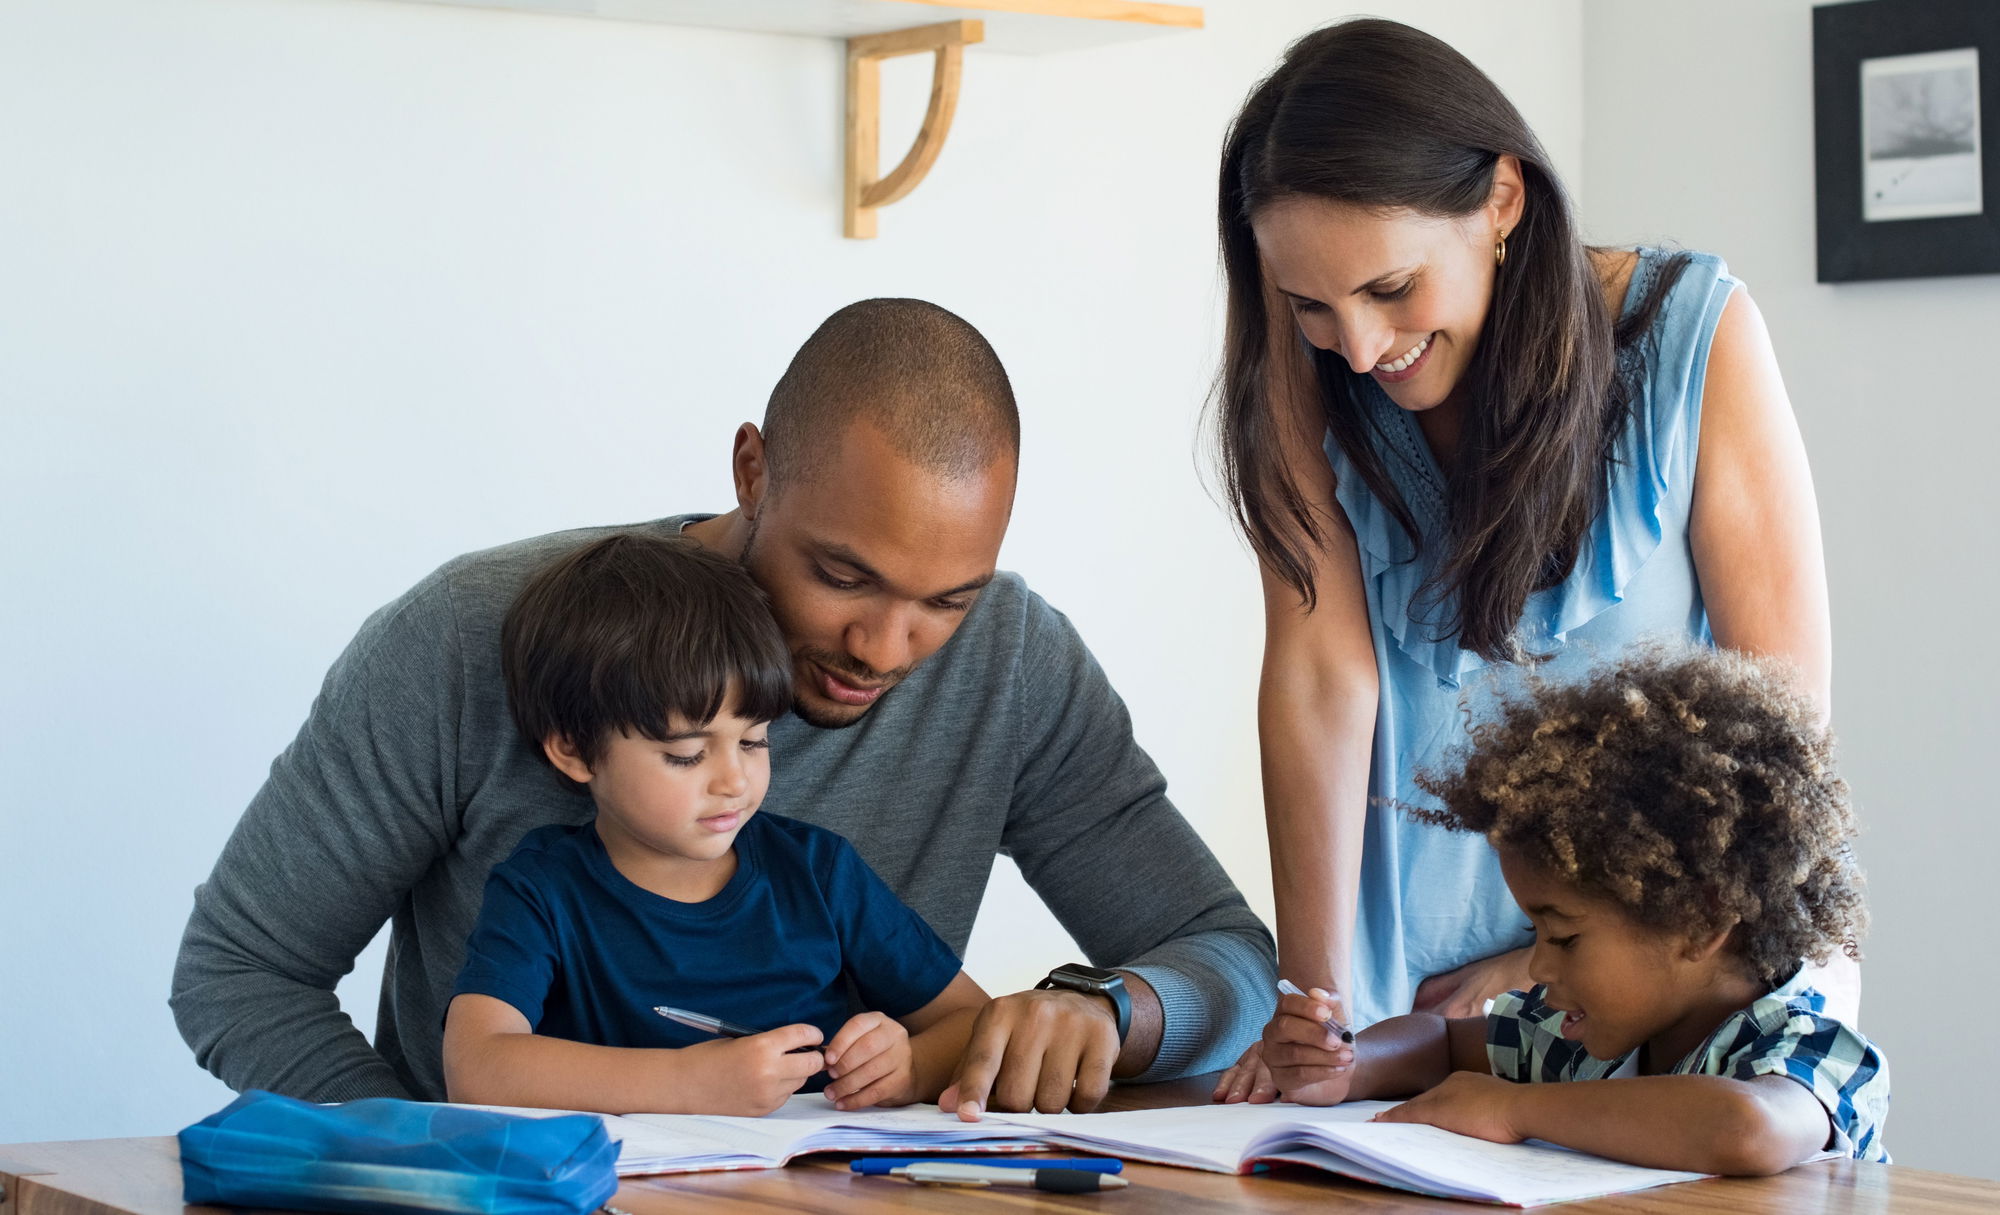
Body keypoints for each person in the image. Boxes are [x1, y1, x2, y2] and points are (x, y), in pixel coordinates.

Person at [173, 298, 1273, 1115]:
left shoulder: (1012, 660)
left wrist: (1109, 1010)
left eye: (946, 600)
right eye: (842, 577)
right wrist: (434, 1166)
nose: (885, 650)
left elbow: (1225, 957)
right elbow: (241, 973)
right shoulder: (470, 637)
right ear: (753, 469)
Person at [1206, 19, 1843, 1101]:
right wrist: (1312, 1006)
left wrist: (1544, 964)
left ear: (1502, 200)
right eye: (1311, 305)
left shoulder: (1695, 335)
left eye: (1390, 289)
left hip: (1660, 994)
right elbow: (1321, 678)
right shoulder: (1306, 375)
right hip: (1397, 1012)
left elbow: (1777, 732)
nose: (1358, 348)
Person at [1260, 646, 1890, 1173]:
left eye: (1562, 938)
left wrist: (1513, 1109)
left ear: (1701, 921)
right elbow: (1441, 1044)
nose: (1536, 967)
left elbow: (1746, 1129)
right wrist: (1348, 1065)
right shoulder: (1583, 1038)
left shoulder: (1808, 1044)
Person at [443, 534, 989, 1116]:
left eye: (754, 741)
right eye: (687, 754)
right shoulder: (542, 890)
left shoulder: (817, 872)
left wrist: (908, 1068)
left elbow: (974, 1020)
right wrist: (687, 1083)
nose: (734, 781)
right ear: (575, 751)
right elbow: (477, 1067)